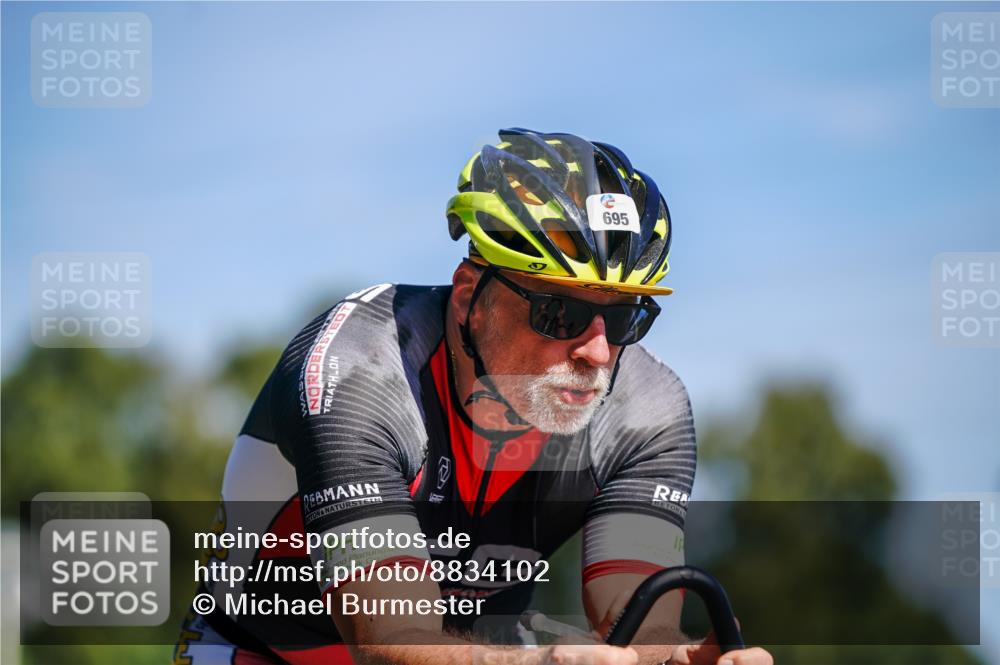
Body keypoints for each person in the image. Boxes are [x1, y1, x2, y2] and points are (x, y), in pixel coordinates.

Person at [174, 128, 773, 665]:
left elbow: (635, 611)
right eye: (560, 312)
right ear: (469, 296)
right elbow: (389, 638)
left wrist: (673, 660)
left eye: (624, 320)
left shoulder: (647, 410)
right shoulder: (362, 371)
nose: (597, 352)